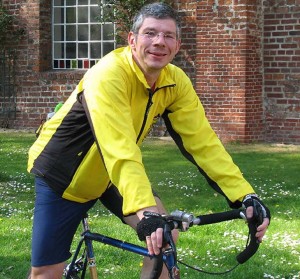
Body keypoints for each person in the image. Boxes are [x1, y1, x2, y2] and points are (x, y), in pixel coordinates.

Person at [27, 2, 270, 279]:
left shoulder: (175, 81)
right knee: (46, 272)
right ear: (132, 40)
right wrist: (146, 211)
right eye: (150, 33)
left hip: (111, 176)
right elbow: (119, 149)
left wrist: (244, 195)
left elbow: (203, 143)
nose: (159, 42)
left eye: (168, 36)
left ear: (177, 45)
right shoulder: (108, 74)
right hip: (63, 177)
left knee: (166, 238)